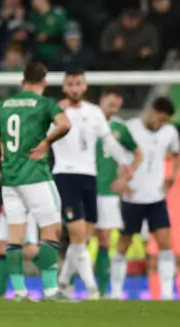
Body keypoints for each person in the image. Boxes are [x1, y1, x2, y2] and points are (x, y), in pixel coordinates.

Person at [0, 62, 72, 301]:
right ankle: (50, 289)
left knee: (15, 235)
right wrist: (46, 142)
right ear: (44, 82)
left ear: (23, 82)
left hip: (9, 179)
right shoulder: (45, 103)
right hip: (35, 175)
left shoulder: (4, 105)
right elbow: (65, 124)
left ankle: (20, 292)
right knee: (52, 228)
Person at [52, 70, 132, 300]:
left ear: (84, 87)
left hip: (89, 177)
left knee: (84, 237)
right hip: (65, 175)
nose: (74, 88)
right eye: (70, 84)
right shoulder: (54, 111)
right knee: (77, 233)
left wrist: (124, 162)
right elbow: (43, 140)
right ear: (64, 87)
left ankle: (64, 282)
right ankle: (92, 288)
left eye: (78, 83)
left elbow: (108, 140)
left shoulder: (94, 112)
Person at [110, 97, 180, 300]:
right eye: (161, 119)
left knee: (165, 243)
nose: (162, 124)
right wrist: (121, 180)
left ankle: (167, 294)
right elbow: (115, 155)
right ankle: (116, 292)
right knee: (123, 243)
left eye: (166, 121)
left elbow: (177, 156)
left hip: (156, 198)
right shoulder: (130, 128)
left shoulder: (170, 132)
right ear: (152, 111)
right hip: (132, 197)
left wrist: (171, 179)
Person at [94, 89, 143, 297]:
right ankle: (67, 285)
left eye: (117, 105)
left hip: (107, 191)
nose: (113, 108)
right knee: (80, 237)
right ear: (101, 100)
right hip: (84, 186)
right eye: (110, 103)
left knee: (104, 239)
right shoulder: (87, 120)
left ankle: (102, 292)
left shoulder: (120, 128)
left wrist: (124, 179)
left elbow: (139, 154)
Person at [145, 152, 180, 301]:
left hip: (179, 221)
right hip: (155, 218)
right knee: (153, 261)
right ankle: (156, 303)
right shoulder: (152, 161)